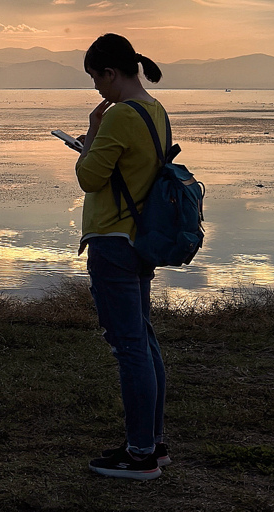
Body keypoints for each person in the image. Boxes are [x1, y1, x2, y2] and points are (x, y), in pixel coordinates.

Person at [74, 33, 169, 481]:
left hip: (112, 241)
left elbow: (88, 178)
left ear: (111, 73)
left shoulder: (117, 117)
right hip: (140, 239)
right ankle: (154, 442)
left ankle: (139, 455)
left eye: (96, 78)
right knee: (144, 341)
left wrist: (92, 132)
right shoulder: (155, 110)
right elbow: (133, 169)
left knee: (129, 347)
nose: (96, 88)